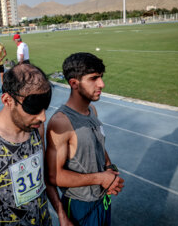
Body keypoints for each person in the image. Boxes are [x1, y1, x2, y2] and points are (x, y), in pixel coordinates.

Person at [0, 63, 72, 226]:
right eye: (33, 108)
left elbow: (43, 178)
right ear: (7, 100)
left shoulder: (36, 128)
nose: (43, 117)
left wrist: (61, 214)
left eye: (45, 107)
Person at [46, 52, 125, 226]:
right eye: (94, 78)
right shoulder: (61, 122)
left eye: (101, 77)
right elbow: (53, 176)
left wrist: (109, 169)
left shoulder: (92, 111)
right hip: (80, 206)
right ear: (74, 83)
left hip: (102, 200)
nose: (102, 84)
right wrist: (100, 178)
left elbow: (99, 145)